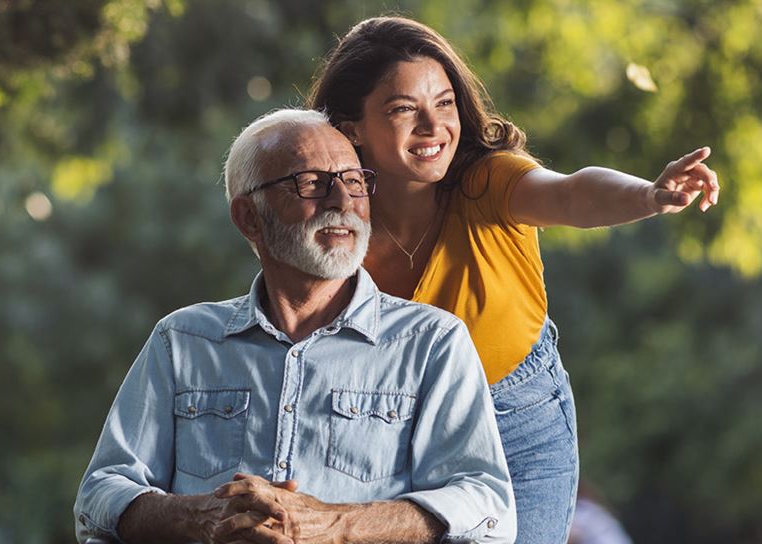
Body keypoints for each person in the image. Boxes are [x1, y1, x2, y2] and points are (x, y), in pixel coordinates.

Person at [307, 16, 721, 542]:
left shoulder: (488, 183)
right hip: (396, 428)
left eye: (444, 103)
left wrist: (649, 195)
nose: (433, 127)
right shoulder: (334, 229)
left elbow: (571, 193)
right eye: (403, 109)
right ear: (350, 129)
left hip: (517, 423)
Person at [72, 108, 515, 544]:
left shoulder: (431, 342)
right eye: (311, 184)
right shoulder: (183, 340)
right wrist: (200, 516)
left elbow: (486, 505)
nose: (342, 202)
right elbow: (100, 496)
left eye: (354, 181)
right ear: (248, 217)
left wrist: (334, 525)